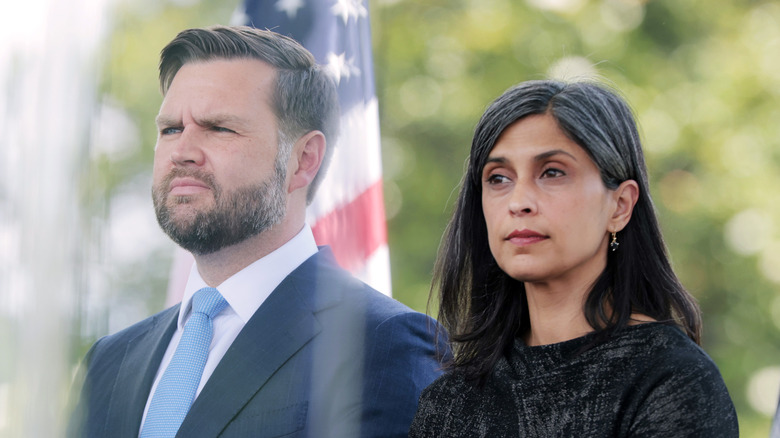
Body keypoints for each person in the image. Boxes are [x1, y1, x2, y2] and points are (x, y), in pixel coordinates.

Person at [68, 25, 444, 438]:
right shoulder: (108, 363)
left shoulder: (382, 343)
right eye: (171, 129)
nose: (183, 152)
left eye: (219, 128)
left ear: (303, 160)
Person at [409, 80, 738, 437]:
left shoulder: (670, 380)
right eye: (499, 178)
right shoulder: (452, 402)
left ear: (620, 205)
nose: (519, 202)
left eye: (552, 172)